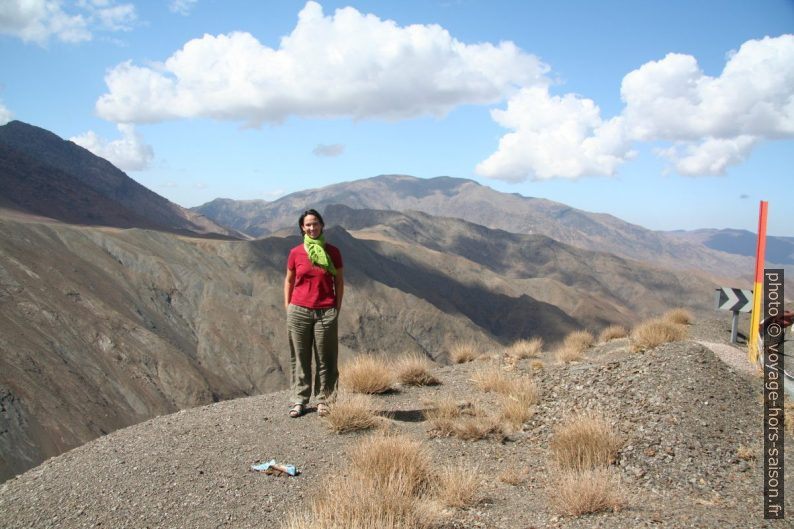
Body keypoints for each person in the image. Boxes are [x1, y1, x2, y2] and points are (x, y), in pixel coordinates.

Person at [284, 209, 344, 418]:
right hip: (299, 310)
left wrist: (336, 308)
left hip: (326, 311)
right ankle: (299, 400)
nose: (312, 228)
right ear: (302, 227)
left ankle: (325, 400)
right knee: (300, 357)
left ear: (322, 225)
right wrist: (288, 307)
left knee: (326, 358)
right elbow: (289, 281)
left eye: (315, 223)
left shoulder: (333, 252)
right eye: (308, 224)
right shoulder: (296, 253)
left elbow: (339, 282)